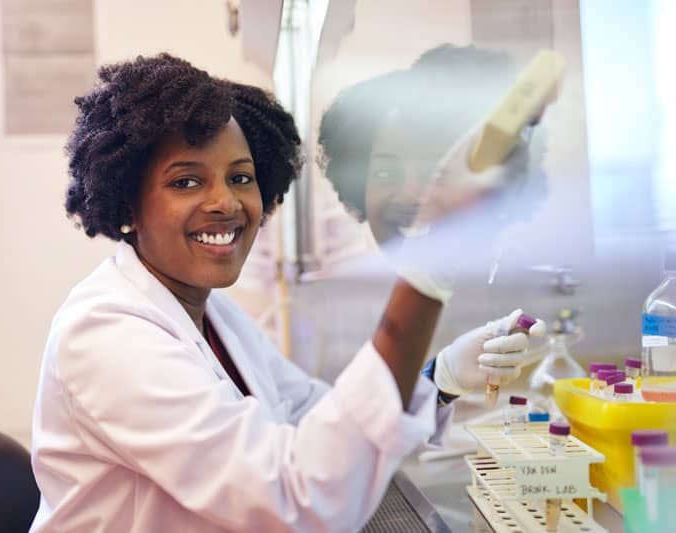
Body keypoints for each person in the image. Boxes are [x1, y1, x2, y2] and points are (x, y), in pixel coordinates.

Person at [31, 53, 542, 532]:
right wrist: (431, 269)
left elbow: (313, 416)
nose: (225, 203)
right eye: (186, 182)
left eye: (241, 177)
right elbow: (292, 498)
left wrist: (442, 377)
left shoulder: (214, 317)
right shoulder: (106, 334)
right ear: (127, 205)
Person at [317, 44, 548, 297]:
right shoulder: (366, 306)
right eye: (386, 174)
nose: (409, 194)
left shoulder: (531, 300)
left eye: (436, 173)